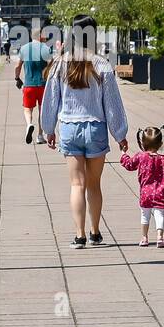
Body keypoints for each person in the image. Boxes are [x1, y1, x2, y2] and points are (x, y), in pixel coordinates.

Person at [41, 14, 129, 249]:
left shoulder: (60, 63)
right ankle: (95, 232)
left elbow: (51, 99)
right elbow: (112, 104)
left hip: (69, 127)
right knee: (94, 184)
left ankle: (79, 235)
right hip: (95, 128)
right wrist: (120, 134)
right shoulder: (101, 64)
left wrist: (48, 129)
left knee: (76, 184)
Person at [120, 125, 164, 248]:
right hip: (160, 193)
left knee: (145, 215)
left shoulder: (140, 157)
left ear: (142, 143)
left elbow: (129, 165)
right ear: (160, 143)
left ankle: (144, 237)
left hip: (145, 193)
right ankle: (160, 237)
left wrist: (123, 153)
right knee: (159, 215)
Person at [15, 29, 52, 144]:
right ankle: (40, 136)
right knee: (42, 110)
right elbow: (52, 66)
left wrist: (17, 78)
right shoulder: (46, 49)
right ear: (39, 36)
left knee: (27, 109)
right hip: (43, 85)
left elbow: (17, 66)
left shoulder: (24, 48)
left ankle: (29, 124)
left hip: (29, 85)